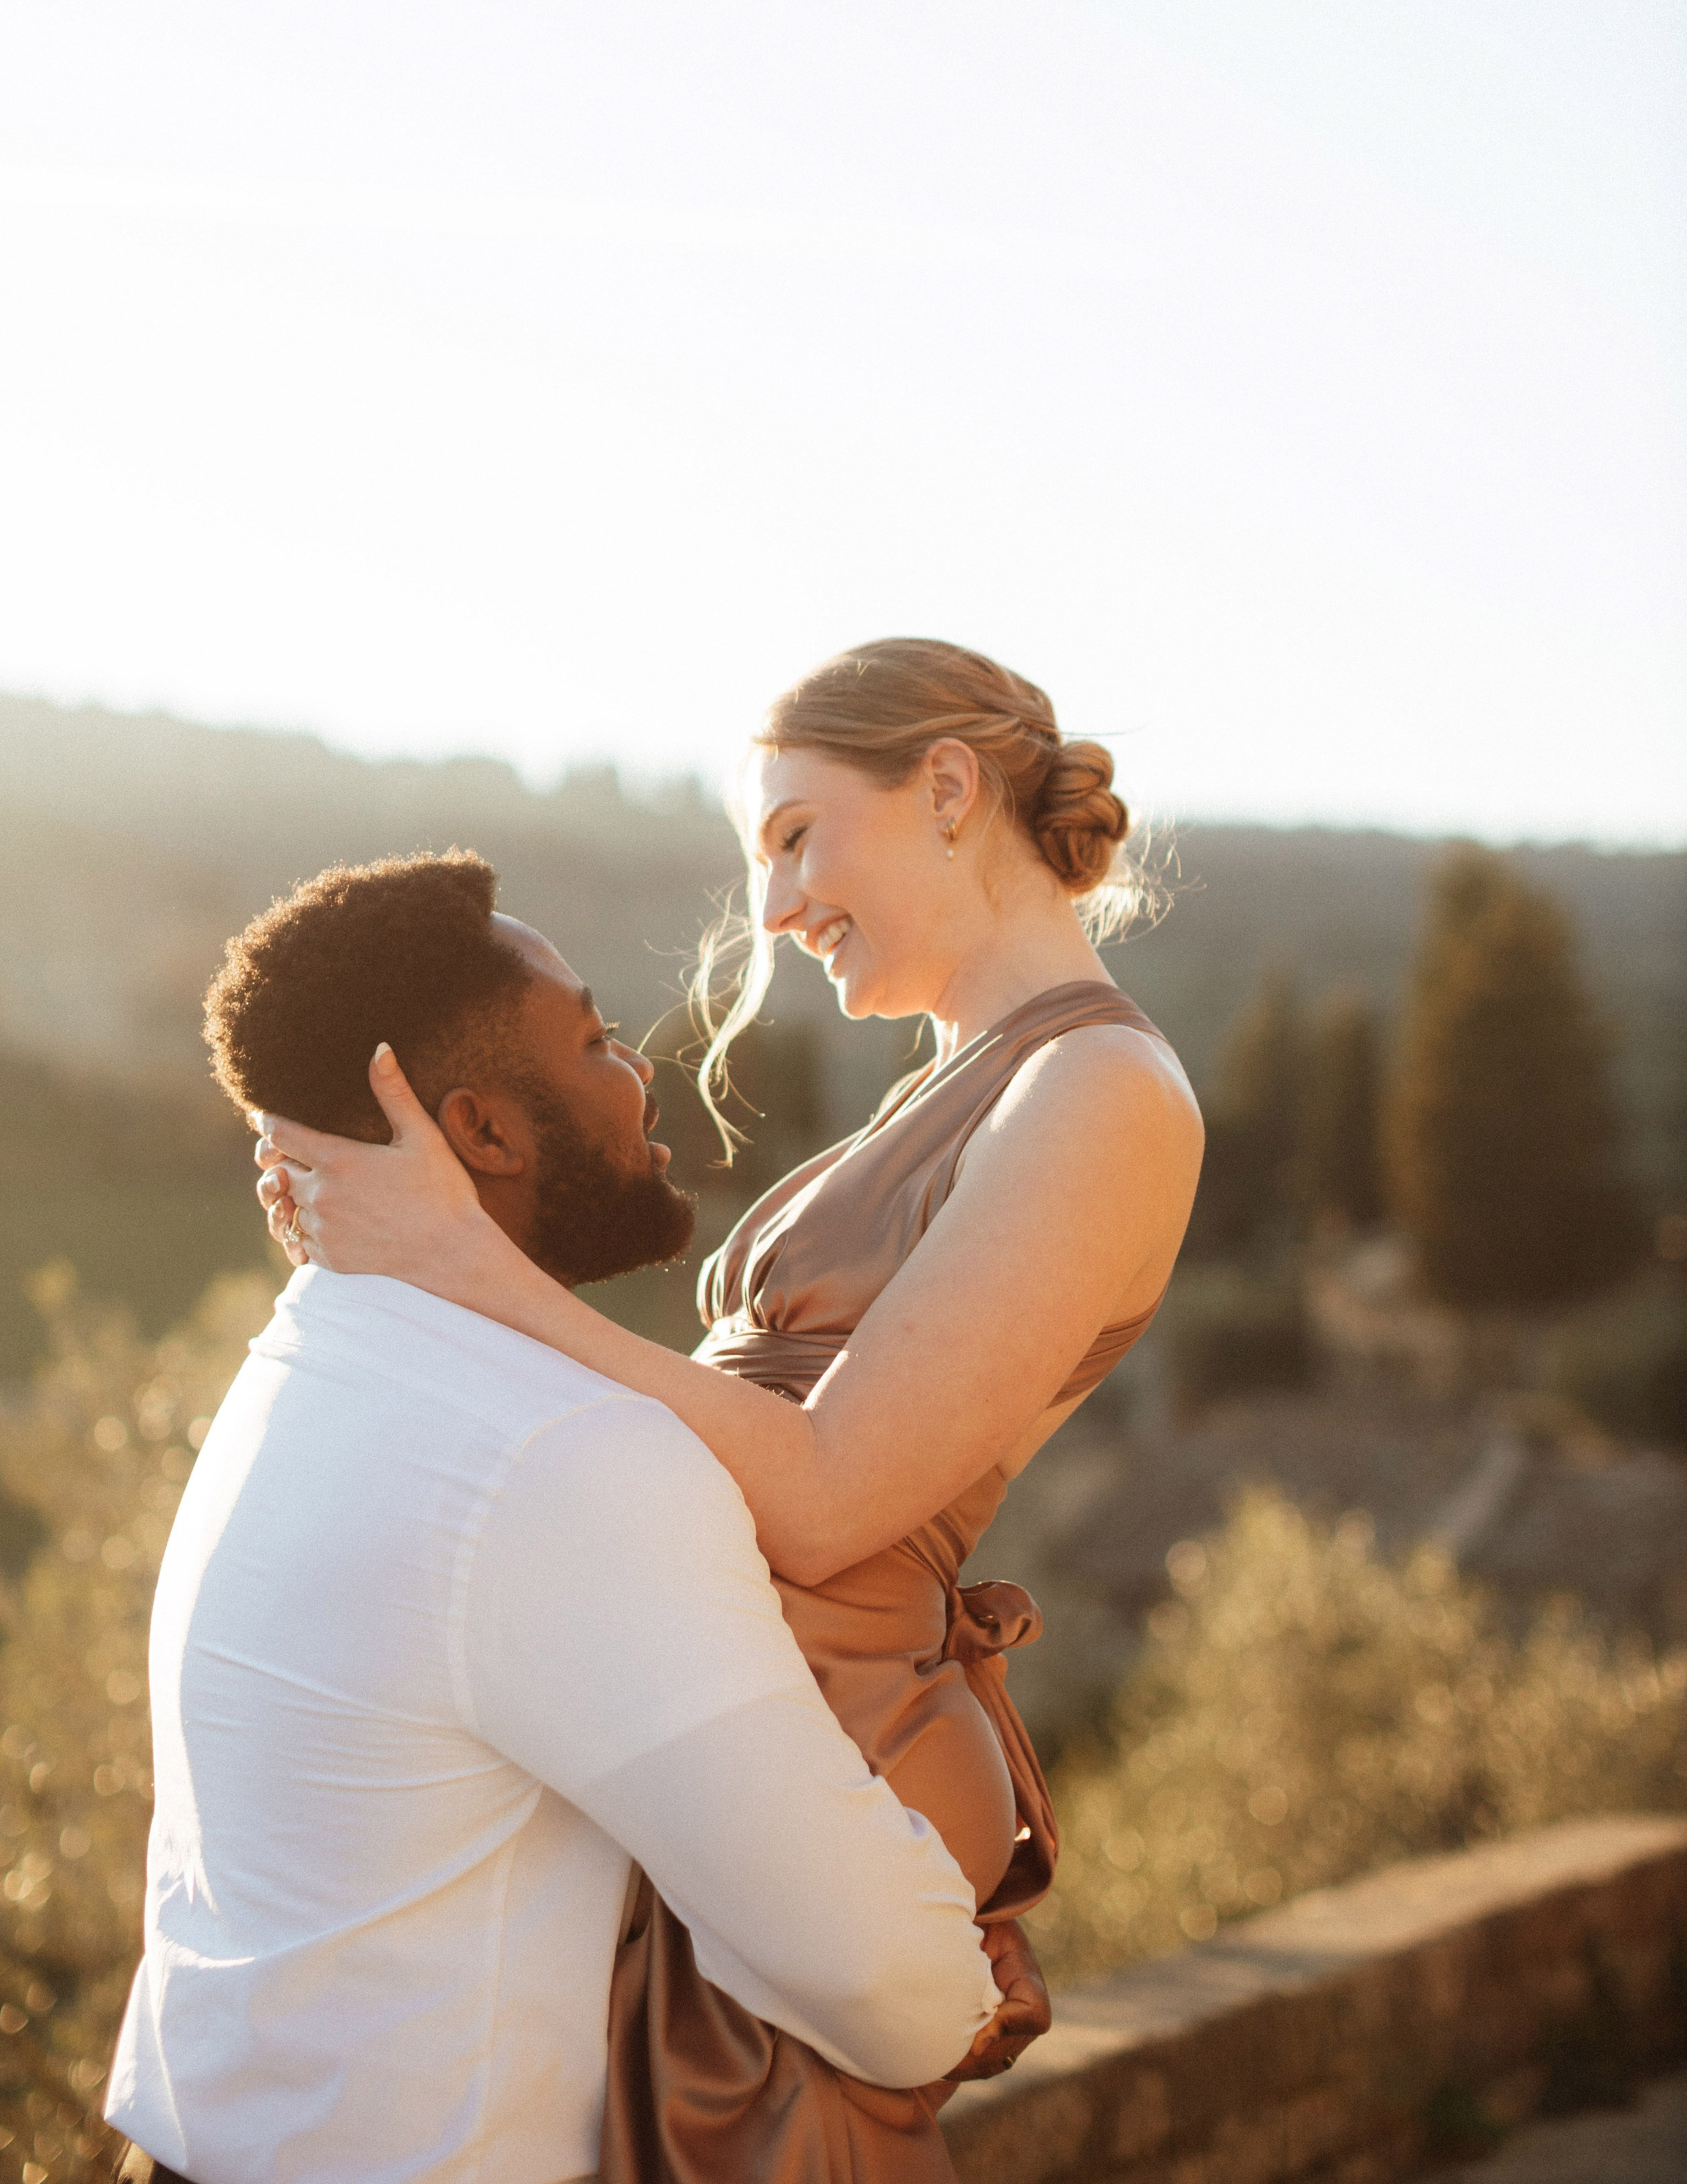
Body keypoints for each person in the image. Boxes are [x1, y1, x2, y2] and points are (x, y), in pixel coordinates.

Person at [257, 639, 1205, 2184]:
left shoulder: (1102, 1094)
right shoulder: (958, 1080)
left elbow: (832, 1492)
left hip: (826, 1742)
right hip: (716, 1709)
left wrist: (459, 1262)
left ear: (948, 792)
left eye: (791, 836)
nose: (771, 909)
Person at [106, 849, 1043, 2184]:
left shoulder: (301, 1370)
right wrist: (967, 1985)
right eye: (599, 1037)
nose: (642, 1066)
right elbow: (873, 1980)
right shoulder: (556, 1461)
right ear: (483, 1131)